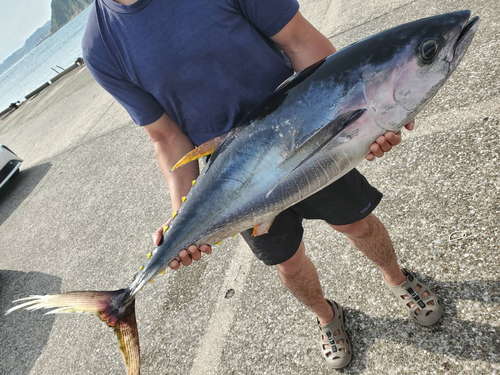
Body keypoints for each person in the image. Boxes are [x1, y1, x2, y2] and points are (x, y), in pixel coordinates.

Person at [82, 0, 443, 368]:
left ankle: (398, 279)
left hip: (306, 126)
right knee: (288, 263)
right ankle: (326, 316)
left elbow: (300, 41)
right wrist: (181, 216)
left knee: (357, 223)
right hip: (229, 176)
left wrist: (369, 113)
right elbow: (165, 136)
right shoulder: (100, 46)